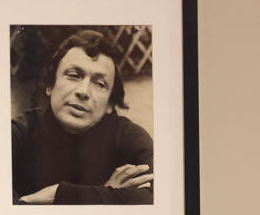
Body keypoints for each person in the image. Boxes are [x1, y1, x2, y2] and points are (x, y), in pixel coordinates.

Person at [11, 29, 155, 205]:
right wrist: (106, 195)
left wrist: (57, 194)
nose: (83, 91)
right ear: (50, 84)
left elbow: (158, 197)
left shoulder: (128, 137)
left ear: (110, 103)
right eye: (73, 75)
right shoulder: (18, 133)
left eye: (100, 84)